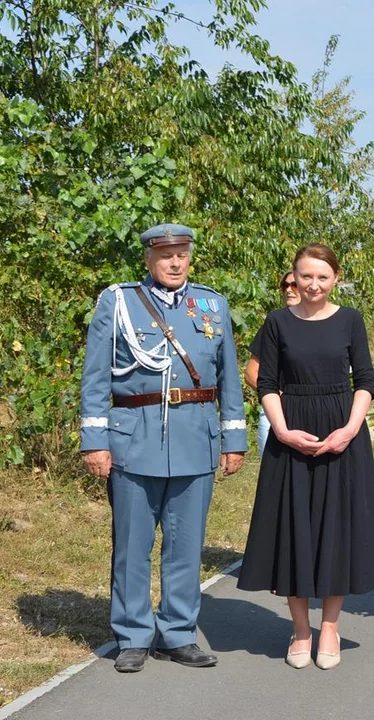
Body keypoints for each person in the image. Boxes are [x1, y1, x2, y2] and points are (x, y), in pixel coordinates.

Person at [79, 223, 247, 673]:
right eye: (166, 255)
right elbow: (95, 379)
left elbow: (229, 377)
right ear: (149, 259)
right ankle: (133, 634)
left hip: (196, 437)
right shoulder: (119, 303)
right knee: (132, 546)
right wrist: (94, 442)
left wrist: (234, 438)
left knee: (186, 545)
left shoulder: (213, 304)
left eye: (182, 254)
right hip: (134, 436)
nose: (175, 263)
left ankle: (177, 633)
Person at [237, 244, 374, 670]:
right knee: (294, 529)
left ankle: (330, 627)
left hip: (343, 433)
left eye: (322, 277)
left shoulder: (350, 320)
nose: (313, 284)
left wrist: (351, 429)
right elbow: (265, 382)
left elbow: (365, 380)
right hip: (292, 433)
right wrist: (283, 430)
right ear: (295, 277)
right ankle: (301, 629)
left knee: (335, 530)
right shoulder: (277, 322)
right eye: (306, 276)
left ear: (335, 278)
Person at [243, 270, 299, 457]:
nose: (289, 290)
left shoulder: (331, 323)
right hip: (277, 412)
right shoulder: (274, 324)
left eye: (294, 285)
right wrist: (279, 398)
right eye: (285, 285)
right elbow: (251, 373)